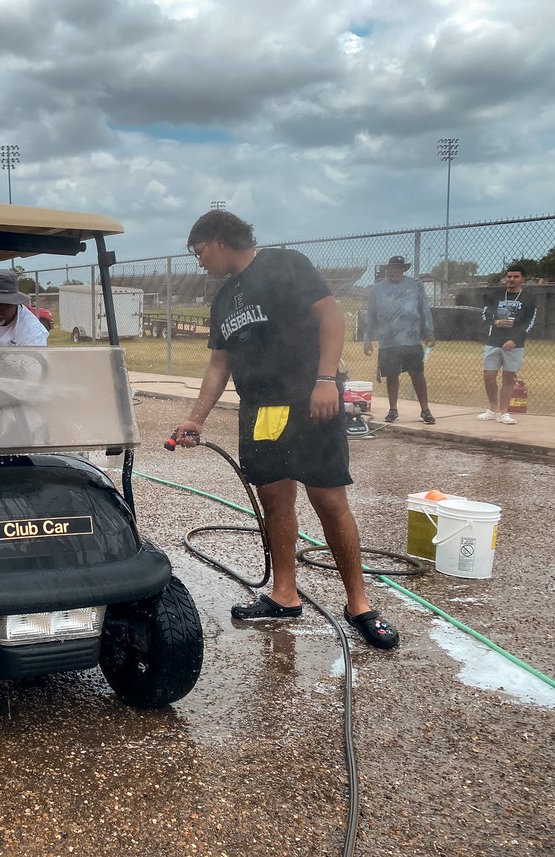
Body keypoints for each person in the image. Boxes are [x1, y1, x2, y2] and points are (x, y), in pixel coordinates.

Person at [171, 209, 398, 651]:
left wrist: (326, 379)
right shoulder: (223, 299)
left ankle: (359, 604)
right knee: (275, 502)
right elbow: (220, 363)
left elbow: (333, 319)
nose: (199, 262)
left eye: (200, 251)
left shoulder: (285, 264)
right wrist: (196, 416)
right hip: (262, 410)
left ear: (219, 240)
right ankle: (284, 594)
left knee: (329, 499)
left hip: (311, 399)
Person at [363, 255, 435, 424]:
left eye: (398, 268)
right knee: (391, 375)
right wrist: (367, 338)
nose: (394, 271)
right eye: (391, 268)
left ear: (404, 270)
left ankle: (425, 410)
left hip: (411, 340)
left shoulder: (415, 286)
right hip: (388, 341)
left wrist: (429, 332)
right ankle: (393, 410)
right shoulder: (376, 290)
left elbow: (424, 308)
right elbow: (371, 315)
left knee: (417, 374)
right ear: (387, 269)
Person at [478, 264, 536, 425]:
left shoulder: (529, 298)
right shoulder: (496, 295)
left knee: (508, 377)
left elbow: (530, 323)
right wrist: (496, 322)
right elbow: (485, 315)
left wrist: (514, 340)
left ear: (522, 279)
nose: (511, 279)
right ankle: (492, 408)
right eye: (509, 276)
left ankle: (504, 412)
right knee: (488, 376)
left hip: (514, 344)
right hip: (494, 341)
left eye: (515, 277)